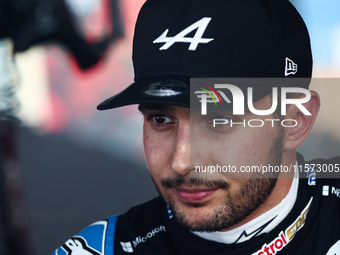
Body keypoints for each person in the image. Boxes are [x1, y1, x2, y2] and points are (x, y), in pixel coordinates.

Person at [52, 0, 340, 254]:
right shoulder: (101, 249)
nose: (180, 162)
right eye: (160, 119)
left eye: (219, 120)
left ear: (296, 122)